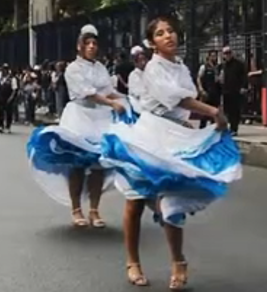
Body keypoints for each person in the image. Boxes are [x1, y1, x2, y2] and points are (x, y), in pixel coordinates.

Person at [100, 15, 238, 290]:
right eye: (161, 34)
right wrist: (213, 112)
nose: (168, 36)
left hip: (174, 135)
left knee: (171, 202)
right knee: (135, 200)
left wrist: (194, 122)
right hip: (148, 136)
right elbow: (175, 98)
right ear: (152, 43)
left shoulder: (181, 67)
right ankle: (133, 262)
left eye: (171, 31)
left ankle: (178, 261)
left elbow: (185, 101)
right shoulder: (152, 69)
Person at [27, 24, 127, 229]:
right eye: (87, 43)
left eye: (94, 43)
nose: (91, 47)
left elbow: (110, 91)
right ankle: (76, 209)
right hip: (79, 117)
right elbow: (88, 93)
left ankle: (94, 210)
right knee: (78, 165)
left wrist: (131, 100)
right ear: (79, 46)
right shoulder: (73, 68)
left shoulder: (100, 68)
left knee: (100, 164)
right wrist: (111, 103)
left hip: (100, 118)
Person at [218, 46, 247, 135]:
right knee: (227, 110)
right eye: (225, 53)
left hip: (236, 90)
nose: (227, 55)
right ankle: (228, 127)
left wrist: (243, 87)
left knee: (235, 110)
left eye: (229, 53)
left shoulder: (239, 64)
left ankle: (234, 128)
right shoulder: (222, 66)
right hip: (226, 91)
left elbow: (244, 77)